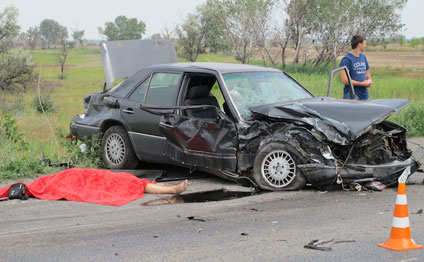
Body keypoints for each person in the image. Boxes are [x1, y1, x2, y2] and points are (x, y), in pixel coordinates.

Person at [340, 35, 373, 100]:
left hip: (364, 94)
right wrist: (361, 84)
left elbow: (367, 72)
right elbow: (345, 80)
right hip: (352, 94)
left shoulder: (363, 57)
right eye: (364, 43)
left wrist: (369, 80)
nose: (365, 46)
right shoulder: (346, 60)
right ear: (359, 44)